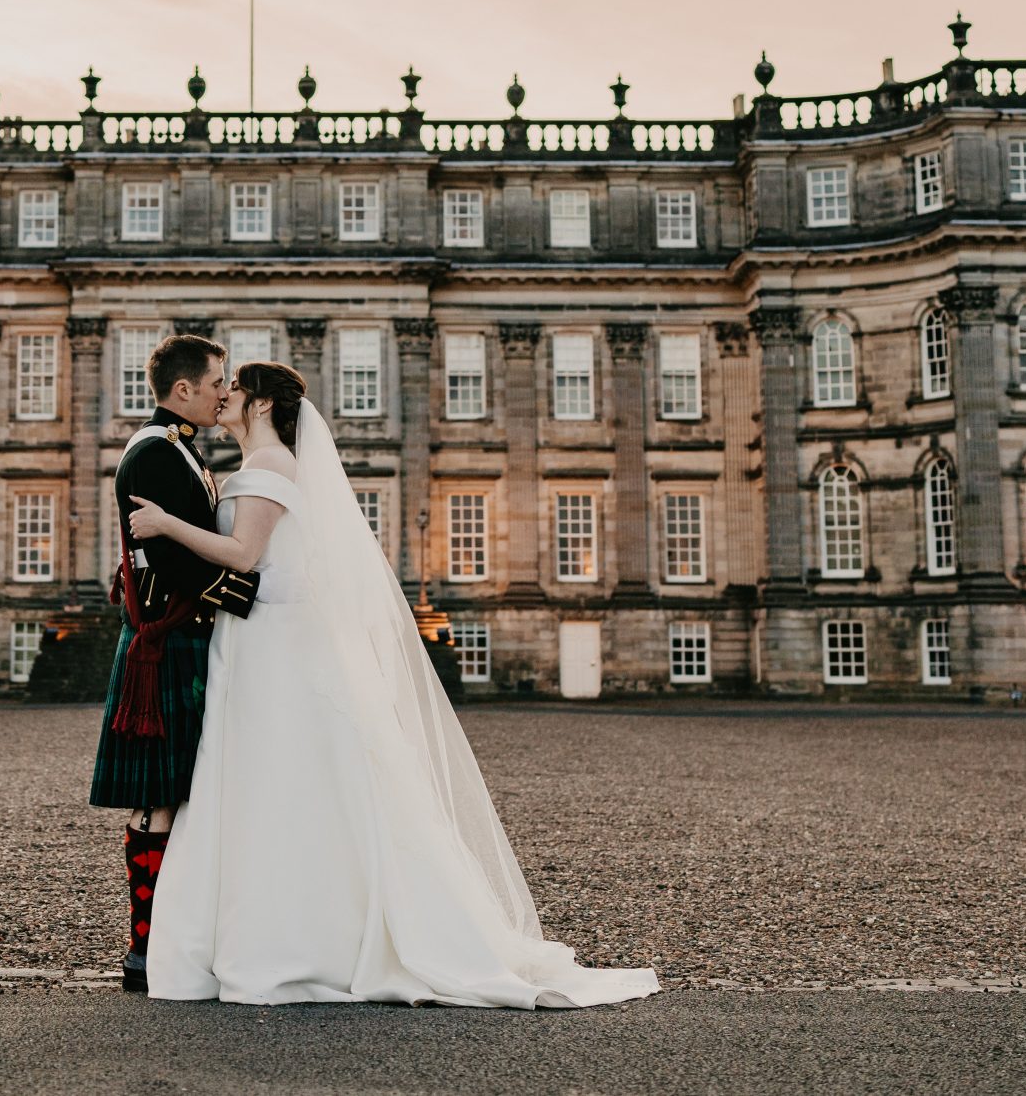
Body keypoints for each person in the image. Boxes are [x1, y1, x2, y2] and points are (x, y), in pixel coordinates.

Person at [125, 361, 660, 1008]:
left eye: (235, 387)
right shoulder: (254, 466)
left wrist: (163, 526)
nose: (224, 395)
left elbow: (241, 556)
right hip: (259, 636)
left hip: (274, 640)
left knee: (273, 780)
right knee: (270, 780)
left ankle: (294, 937)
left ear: (262, 403)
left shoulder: (266, 468)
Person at [86, 332, 232, 993]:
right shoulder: (155, 453)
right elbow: (184, 566)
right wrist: (265, 600)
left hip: (182, 637)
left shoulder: (182, 449)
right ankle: (144, 947)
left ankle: (173, 938)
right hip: (168, 639)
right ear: (183, 390)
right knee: (158, 799)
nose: (223, 393)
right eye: (215, 383)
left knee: (180, 796)